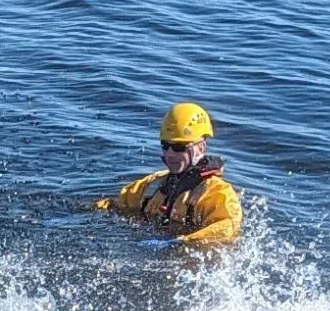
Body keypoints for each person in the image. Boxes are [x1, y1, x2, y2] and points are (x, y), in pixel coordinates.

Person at [92, 102, 243, 247]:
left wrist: (182, 241)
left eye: (179, 147)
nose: (170, 154)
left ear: (201, 148)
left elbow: (227, 227)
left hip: (192, 260)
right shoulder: (153, 184)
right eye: (166, 146)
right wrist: (94, 209)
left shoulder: (217, 192)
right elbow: (120, 203)